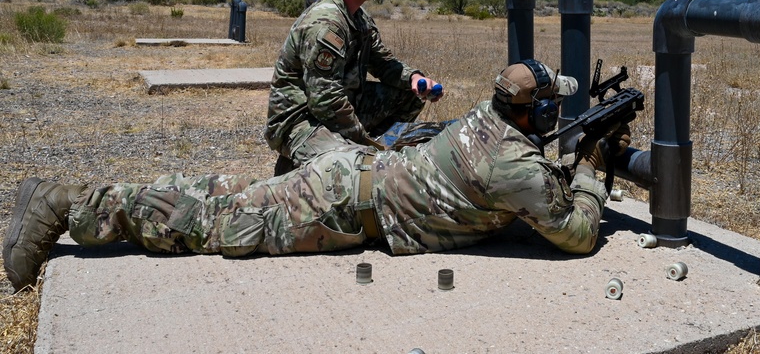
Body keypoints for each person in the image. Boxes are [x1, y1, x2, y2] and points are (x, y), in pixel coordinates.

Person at [3, 60, 631, 293]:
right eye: (552, 104)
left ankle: (89, 198)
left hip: (350, 176)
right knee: (211, 222)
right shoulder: (513, 165)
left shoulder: (486, 119)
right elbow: (574, 234)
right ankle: (67, 204)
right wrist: (594, 174)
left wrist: (564, 156)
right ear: (536, 110)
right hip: (337, 206)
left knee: (221, 194)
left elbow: (520, 169)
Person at [266, 0, 443, 176]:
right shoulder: (326, 24)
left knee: (408, 96)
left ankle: (373, 152)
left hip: (341, 106)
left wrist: (414, 78)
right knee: (350, 166)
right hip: (301, 119)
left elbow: (382, 62)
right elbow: (324, 100)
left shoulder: (358, 17)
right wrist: (364, 143)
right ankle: (306, 166)